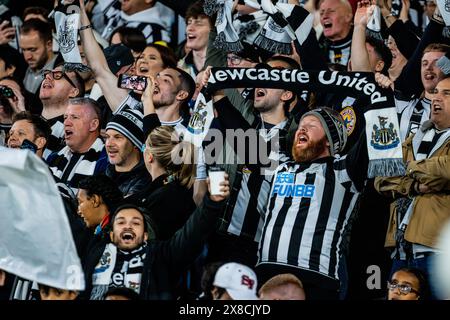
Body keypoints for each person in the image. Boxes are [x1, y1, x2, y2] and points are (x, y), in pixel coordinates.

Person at [256, 107, 370, 300]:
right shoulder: (281, 168)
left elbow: (371, 136)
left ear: (329, 139)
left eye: (311, 125)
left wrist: (382, 96)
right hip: (268, 274)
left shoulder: (342, 170)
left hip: (315, 279)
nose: (302, 129)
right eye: (301, 126)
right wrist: (219, 95)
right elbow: (242, 140)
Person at [82, 176, 229, 300]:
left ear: (145, 235)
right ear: (112, 235)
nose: (128, 226)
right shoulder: (96, 253)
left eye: (136, 222)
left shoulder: (160, 255)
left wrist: (211, 203)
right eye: (121, 222)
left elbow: (191, 234)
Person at [375, 77, 450, 298]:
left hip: (438, 251)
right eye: (436, 92)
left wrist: (405, 167)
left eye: (447, 93)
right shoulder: (413, 137)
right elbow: (381, 177)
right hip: (401, 247)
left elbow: (445, 170)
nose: (437, 97)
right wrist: (416, 185)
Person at [47, 98, 108, 195]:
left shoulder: (106, 160)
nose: (66, 123)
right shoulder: (53, 157)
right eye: (65, 117)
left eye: (74, 117)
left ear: (93, 125)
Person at [39, 63, 85, 158]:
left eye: (57, 75)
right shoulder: (28, 120)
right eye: (47, 74)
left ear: (73, 92)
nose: (47, 76)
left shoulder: (72, 131)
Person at [104, 108, 151, 198]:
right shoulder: (103, 175)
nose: (109, 144)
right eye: (107, 137)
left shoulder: (146, 180)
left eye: (118, 137)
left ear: (135, 143)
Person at [19, 19, 57, 94]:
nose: (27, 57)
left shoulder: (63, 71)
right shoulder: (20, 69)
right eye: (23, 50)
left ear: (49, 45)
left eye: (32, 49)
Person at [178, 1, 213, 79]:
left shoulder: (229, 65)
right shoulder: (178, 69)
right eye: (189, 23)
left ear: (214, 30)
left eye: (198, 23)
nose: (189, 28)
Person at [318, 0, 354, 68]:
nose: (324, 16)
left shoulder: (366, 45)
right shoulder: (316, 47)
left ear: (348, 17)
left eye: (331, 11)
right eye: (321, 13)